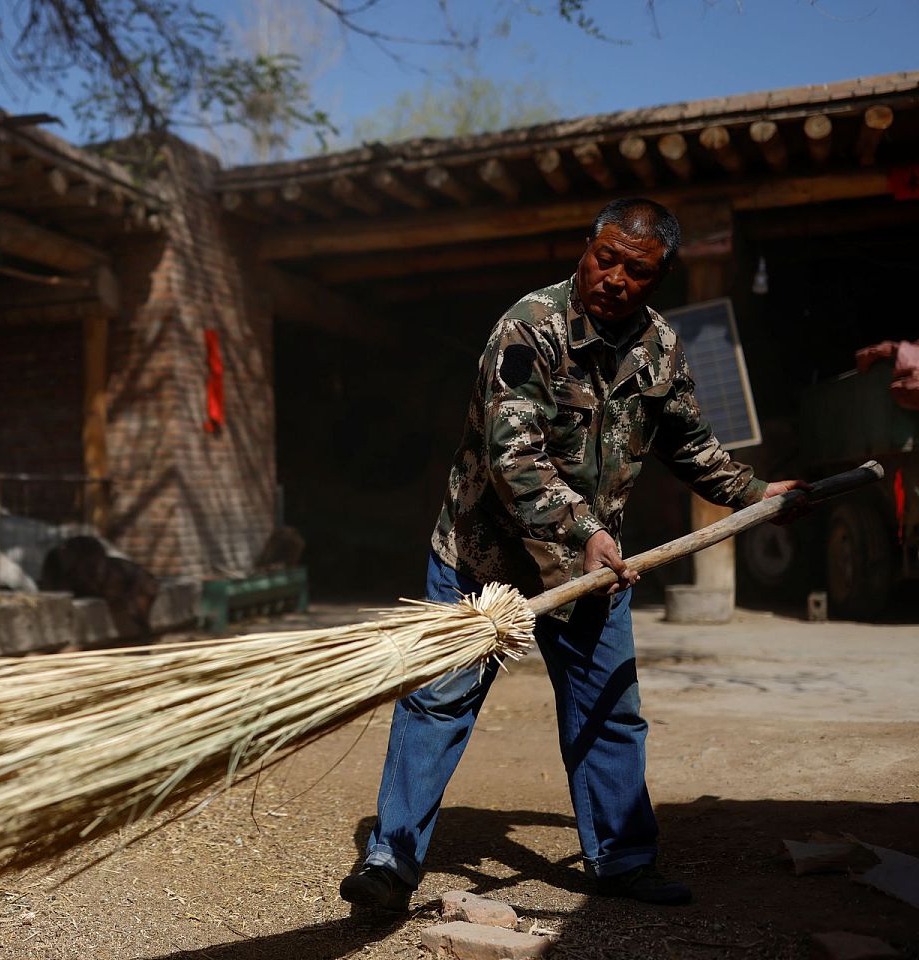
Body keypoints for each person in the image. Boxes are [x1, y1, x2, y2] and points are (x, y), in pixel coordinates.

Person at [339, 198, 805, 911]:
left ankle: (621, 860)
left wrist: (757, 490)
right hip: (483, 555)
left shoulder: (659, 348)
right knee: (437, 703)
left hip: (591, 571)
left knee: (610, 709)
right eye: (605, 258)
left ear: (660, 276)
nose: (615, 278)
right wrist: (586, 529)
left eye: (637, 270)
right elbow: (512, 458)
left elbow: (688, 442)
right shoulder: (529, 327)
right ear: (585, 248)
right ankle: (390, 861)